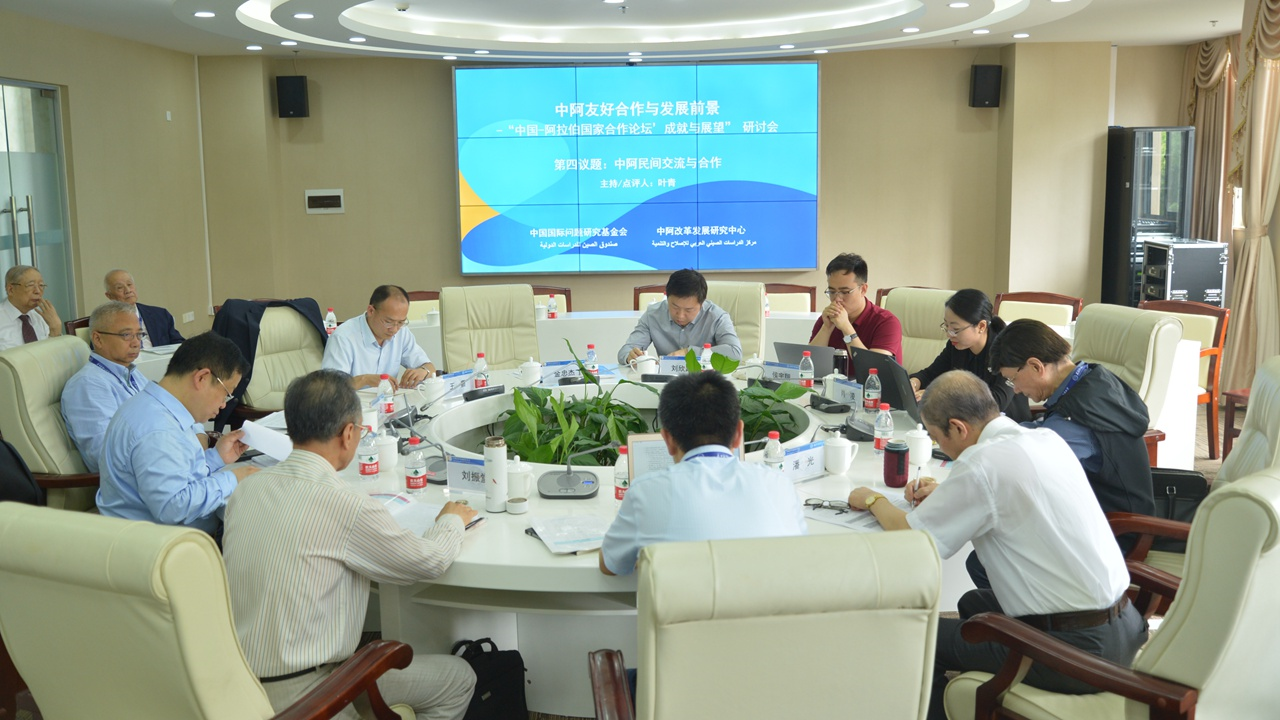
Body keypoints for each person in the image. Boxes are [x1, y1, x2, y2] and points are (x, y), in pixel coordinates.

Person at [847, 371, 1147, 720]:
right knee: (974, 604)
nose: (941, 447)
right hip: (1125, 625)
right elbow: (1012, 494)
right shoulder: (1044, 438)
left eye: (937, 437)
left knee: (911, 638)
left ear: (958, 428)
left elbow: (911, 539)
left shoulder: (981, 465)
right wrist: (948, 494)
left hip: (1077, 651)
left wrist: (872, 500)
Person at [223, 370, 477, 720]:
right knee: (458, 678)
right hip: (309, 697)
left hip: (237, 688)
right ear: (347, 434)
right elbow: (430, 561)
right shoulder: (346, 504)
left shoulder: (246, 491)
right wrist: (452, 520)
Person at [600, 371, 805, 576]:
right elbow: (801, 558)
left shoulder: (645, 493)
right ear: (738, 434)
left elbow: (610, 565)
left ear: (668, 440)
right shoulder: (780, 486)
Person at [988, 318, 1155, 528]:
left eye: (1013, 379)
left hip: (1114, 530)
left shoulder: (1076, 416)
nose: (1016, 390)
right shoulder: (1093, 378)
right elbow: (1046, 430)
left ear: (1036, 366)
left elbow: (1030, 466)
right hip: (1109, 513)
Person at [97, 332, 258, 534]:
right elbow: (172, 507)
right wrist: (233, 478)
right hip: (162, 545)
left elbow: (181, 475)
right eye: (226, 393)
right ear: (201, 378)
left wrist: (217, 457)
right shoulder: (158, 430)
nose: (224, 404)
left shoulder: (157, 407)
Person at [908, 289, 1030, 423]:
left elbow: (996, 402)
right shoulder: (957, 345)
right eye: (946, 326)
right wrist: (913, 383)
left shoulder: (1006, 350)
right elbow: (930, 374)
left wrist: (939, 395)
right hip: (968, 423)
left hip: (1006, 424)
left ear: (981, 326)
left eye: (955, 329)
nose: (949, 334)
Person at [60, 302, 150, 473]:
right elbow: (105, 456)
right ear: (98, 339)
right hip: (140, 478)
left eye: (139, 334)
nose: (136, 343)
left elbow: (169, 410)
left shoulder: (130, 372)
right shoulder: (88, 384)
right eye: (126, 335)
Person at [616, 269, 742, 364]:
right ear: (667, 297)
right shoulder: (653, 315)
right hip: (666, 383)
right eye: (675, 307)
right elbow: (625, 351)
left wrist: (689, 352)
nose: (680, 315)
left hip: (706, 382)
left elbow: (735, 353)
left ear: (702, 303)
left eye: (689, 310)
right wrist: (630, 357)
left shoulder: (717, 317)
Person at [322, 285, 435, 390]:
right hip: (353, 403)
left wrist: (423, 371)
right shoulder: (343, 337)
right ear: (371, 311)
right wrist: (365, 380)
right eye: (388, 322)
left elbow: (430, 368)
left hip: (388, 402)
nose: (394, 329)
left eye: (401, 322)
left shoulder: (402, 332)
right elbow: (330, 387)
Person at [809, 253, 902, 363]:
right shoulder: (827, 319)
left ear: (863, 289)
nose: (837, 299)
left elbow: (875, 367)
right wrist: (826, 328)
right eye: (832, 291)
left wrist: (846, 328)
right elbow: (809, 363)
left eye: (845, 292)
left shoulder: (886, 322)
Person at [103, 268, 185, 347]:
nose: (128, 290)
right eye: (119, 288)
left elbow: (178, 344)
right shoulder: (104, 323)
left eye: (129, 284)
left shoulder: (160, 315)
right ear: (109, 296)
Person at [0, 265, 62, 351]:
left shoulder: (40, 316)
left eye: (41, 285)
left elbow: (54, 354)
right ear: (11, 290)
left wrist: (55, 330)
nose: (38, 291)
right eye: (30, 285)